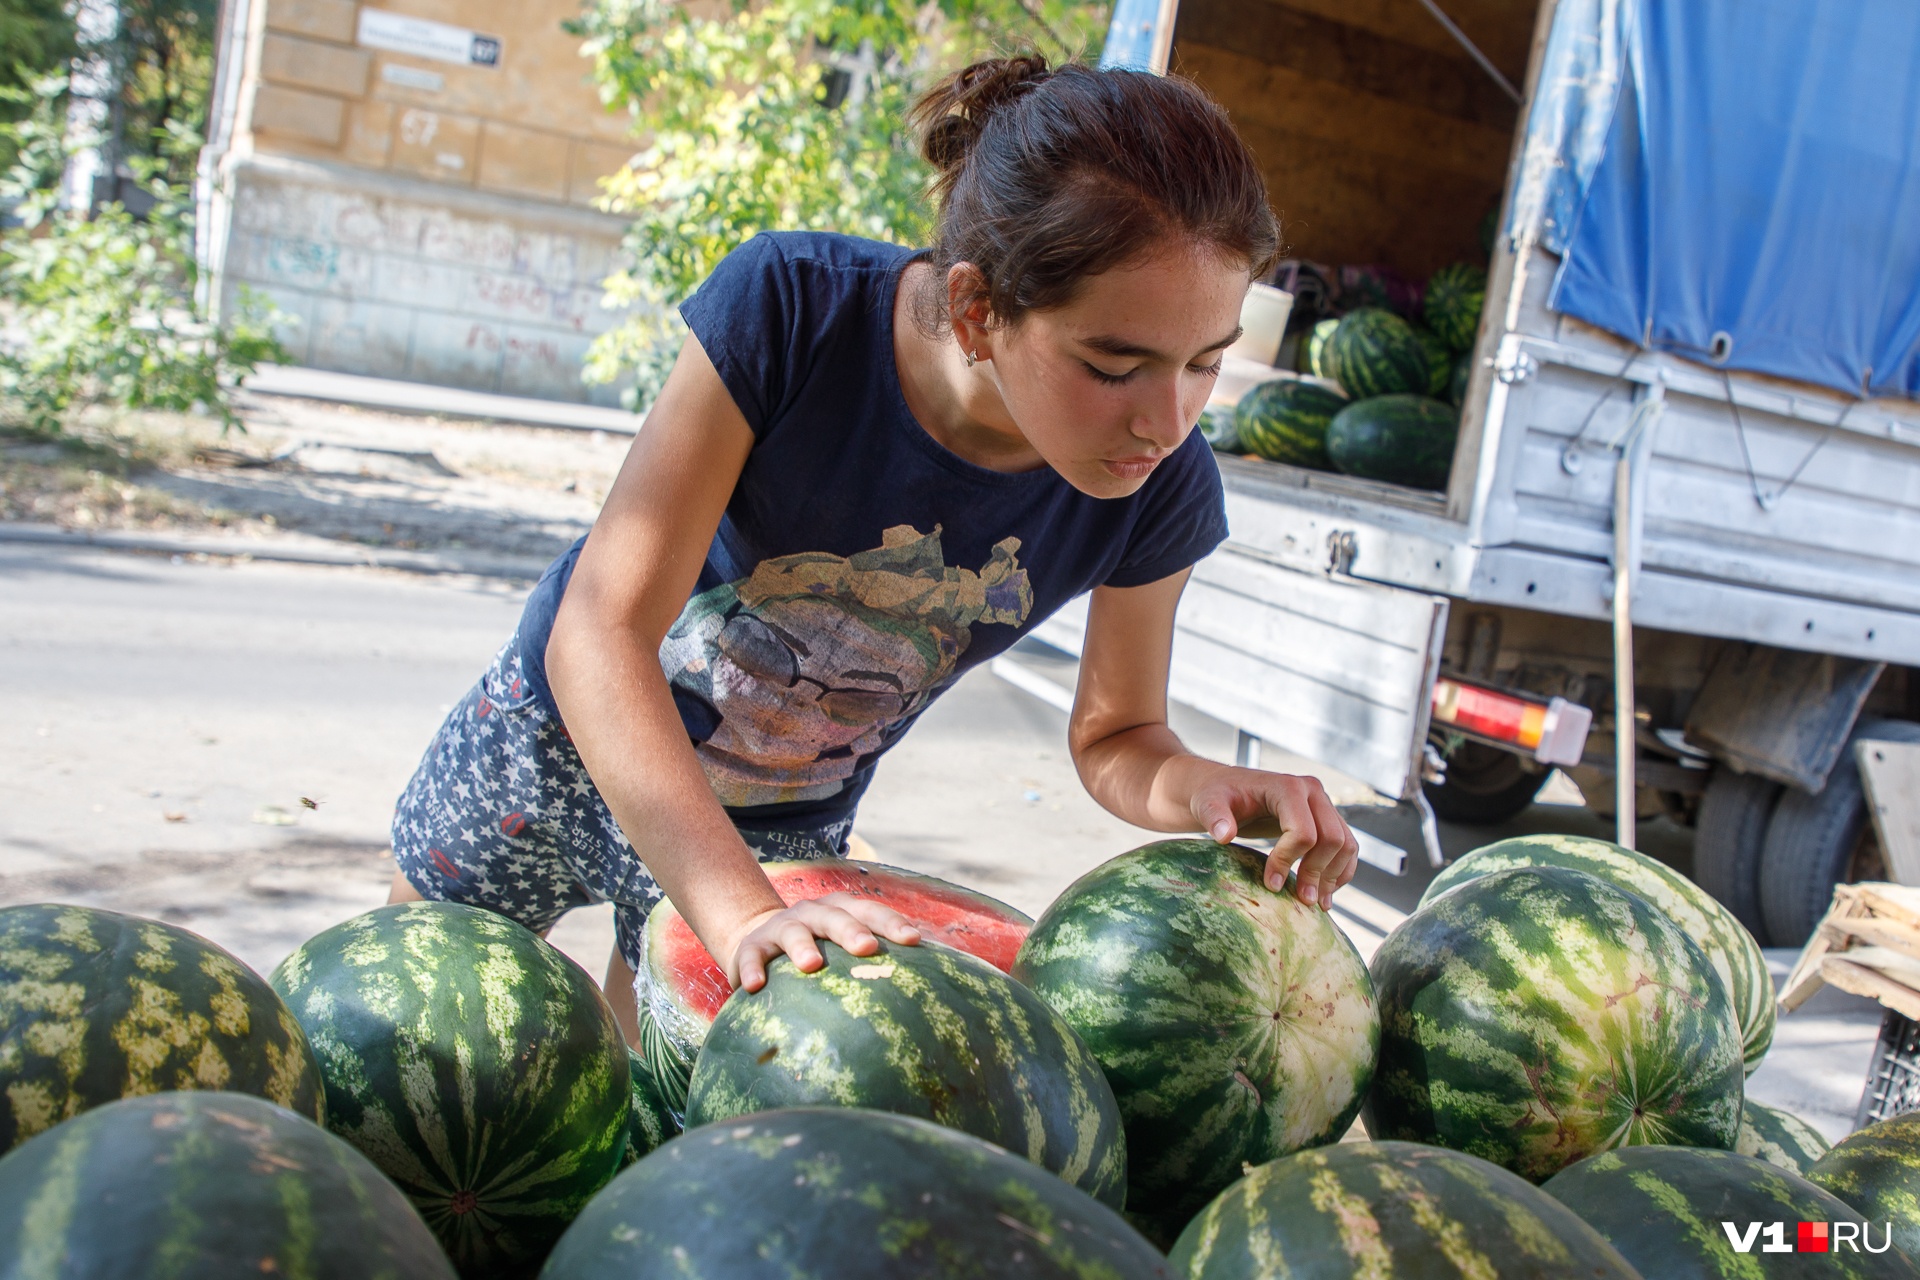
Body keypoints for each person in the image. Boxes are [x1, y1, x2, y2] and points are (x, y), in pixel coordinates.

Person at [386, 55, 1360, 1044]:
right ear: (979, 309)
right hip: (561, 737)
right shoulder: (793, 308)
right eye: (1117, 365)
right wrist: (743, 912)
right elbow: (601, 630)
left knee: (638, 1113)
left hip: (781, 824)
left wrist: (1205, 787)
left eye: (1205, 362)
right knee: (408, 1038)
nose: (1167, 419)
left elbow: (1119, 738)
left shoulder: (1164, 486)